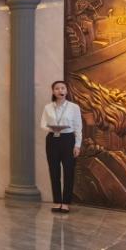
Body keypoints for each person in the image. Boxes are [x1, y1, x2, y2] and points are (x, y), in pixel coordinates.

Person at [40, 80, 83, 213]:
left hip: (68, 139)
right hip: (52, 139)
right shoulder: (48, 107)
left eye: (63, 88)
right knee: (54, 171)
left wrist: (77, 145)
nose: (60, 90)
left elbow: (78, 127)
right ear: (53, 92)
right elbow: (43, 124)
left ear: (66, 91)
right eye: (57, 88)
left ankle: (66, 203)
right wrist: (52, 128)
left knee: (69, 171)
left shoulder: (74, 107)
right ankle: (57, 201)